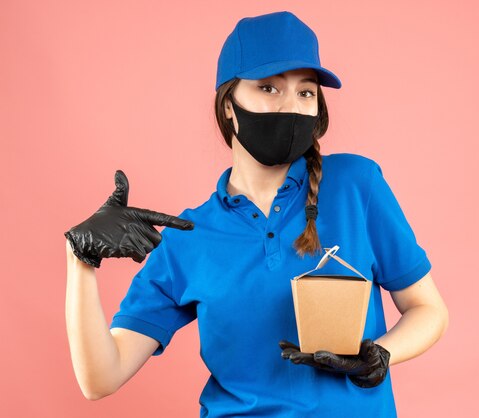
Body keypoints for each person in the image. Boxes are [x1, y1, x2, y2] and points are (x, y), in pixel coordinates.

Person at [64, 10, 449, 418]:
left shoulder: (358, 186)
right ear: (229, 104)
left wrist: (382, 354)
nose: (291, 106)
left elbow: (429, 310)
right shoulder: (188, 236)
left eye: (305, 92)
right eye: (269, 88)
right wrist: (80, 260)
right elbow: (100, 378)